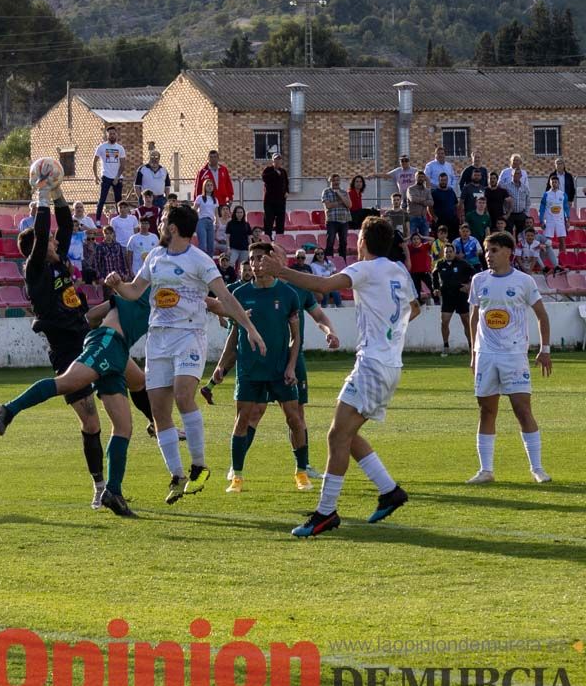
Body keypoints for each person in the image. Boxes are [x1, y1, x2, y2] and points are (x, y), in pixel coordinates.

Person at [0, 171, 156, 510]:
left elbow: (64, 227)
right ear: (36, 250)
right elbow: (41, 234)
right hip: (66, 347)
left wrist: (58, 192)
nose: (55, 243)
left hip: (88, 338)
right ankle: (100, 487)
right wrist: (40, 195)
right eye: (49, 243)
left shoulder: (58, 264)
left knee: (135, 380)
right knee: (91, 420)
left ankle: (157, 427)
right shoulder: (35, 269)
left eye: (53, 243)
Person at [262, 216, 419, 537]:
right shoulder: (398, 270)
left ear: (363, 240)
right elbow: (414, 308)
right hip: (388, 364)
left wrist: (280, 271)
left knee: (337, 436)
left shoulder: (366, 269)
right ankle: (389, 491)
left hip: (373, 364)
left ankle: (325, 512)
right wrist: (392, 331)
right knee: (347, 433)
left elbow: (322, 286)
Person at [106, 205, 265, 504]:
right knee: (159, 411)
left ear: (174, 227)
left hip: (189, 336)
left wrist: (249, 328)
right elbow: (134, 291)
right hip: (158, 339)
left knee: (182, 395)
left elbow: (225, 297)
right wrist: (117, 284)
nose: (160, 224)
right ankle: (178, 475)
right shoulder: (154, 256)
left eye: (164, 220)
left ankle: (199, 464)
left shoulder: (199, 260)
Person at [0, 289, 157, 519]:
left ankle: (113, 492)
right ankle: (8, 409)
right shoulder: (143, 289)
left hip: (117, 350)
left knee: (123, 427)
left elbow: (90, 316)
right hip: (108, 343)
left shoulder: (134, 290)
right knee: (68, 383)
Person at [210, 242, 309, 493]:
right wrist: (222, 366)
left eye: (260, 258)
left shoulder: (288, 295)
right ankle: (237, 477)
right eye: (252, 259)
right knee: (242, 419)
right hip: (249, 369)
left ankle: (301, 472)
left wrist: (290, 367)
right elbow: (234, 335)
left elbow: (296, 337)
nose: (255, 263)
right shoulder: (240, 295)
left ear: (272, 260)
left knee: (294, 419)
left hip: (279, 369)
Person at [466, 232, 553, 485]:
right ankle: (486, 470)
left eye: (493, 250)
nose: (488, 255)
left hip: (514, 356)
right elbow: (474, 317)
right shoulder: (478, 280)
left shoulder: (524, 281)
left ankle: (537, 468)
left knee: (522, 410)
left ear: (507, 252)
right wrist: (473, 353)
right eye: (486, 250)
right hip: (485, 355)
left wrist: (544, 349)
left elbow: (542, 316)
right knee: (486, 410)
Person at [433, 244, 474, 356]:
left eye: (451, 251)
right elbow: (434, 275)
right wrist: (436, 288)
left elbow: (475, 273)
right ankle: (446, 346)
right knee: (444, 322)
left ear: (454, 252)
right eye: (446, 252)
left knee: (466, 321)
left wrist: (469, 285)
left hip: (461, 295)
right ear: (444, 253)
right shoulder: (440, 264)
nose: (449, 253)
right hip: (447, 296)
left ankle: (471, 346)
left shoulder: (463, 263)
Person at [93, 126, 126, 221]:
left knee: (118, 200)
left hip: (117, 178)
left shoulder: (120, 148)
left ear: (116, 135)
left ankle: (121, 219)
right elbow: (94, 162)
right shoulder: (101, 147)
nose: (112, 135)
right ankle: (98, 220)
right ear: (107, 135)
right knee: (102, 199)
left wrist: (117, 177)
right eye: (110, 134)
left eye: (114, 134)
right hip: (106, 176)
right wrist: (95, 176)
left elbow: (123, 165)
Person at [538, 173, 570, 259]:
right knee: (547, 242)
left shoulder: (563, 194)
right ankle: (545, 261)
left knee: (562, 241)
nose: (554, 183)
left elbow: (566, 208)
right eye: (552, 182)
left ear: (558, 183)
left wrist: (568, 220)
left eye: (556, 182)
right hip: (549, 221)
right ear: (550, 183)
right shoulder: (546, 194)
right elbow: (541, 208)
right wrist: (541, 221)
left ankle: (563, 259)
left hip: (560, 221)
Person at [499, 154, 531, 238]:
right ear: (512, 175)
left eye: (518, 174)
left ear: (521, 176)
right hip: (509, 214)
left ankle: (519, 251)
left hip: (521, 214)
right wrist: (504, 212)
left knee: (520, 236)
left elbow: (528, 200)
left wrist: (526, 213)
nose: (517, 175)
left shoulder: (524, 186)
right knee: (508, 234)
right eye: (514, 174)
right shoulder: (506, 185)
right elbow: (502, 196)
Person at [322, 173, 352, 259]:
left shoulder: (344, 192)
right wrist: (340, 202)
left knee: (344, 242)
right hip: (332, 220)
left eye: (337, 180)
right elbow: (328, 206)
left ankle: (342, 259)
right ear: (330, 181)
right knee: (330, 240)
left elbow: (349, 205)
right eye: (334, 180)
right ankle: (328, 259)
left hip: (344, 220)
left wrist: (339, 195)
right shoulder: (326, 191)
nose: (336, 182)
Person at [261, 152, 288, 237]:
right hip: (269, 201)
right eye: (276, 159)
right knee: (269, 221)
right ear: (273, 160)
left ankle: (280, 238)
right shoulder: (268, 170)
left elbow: (286, 183)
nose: (277, 161)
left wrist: (287, 191)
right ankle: (268, 238)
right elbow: (264, 178)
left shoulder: (283, 171)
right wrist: (275, 173)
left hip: (280, 201)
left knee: (280, 221)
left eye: (279, 159)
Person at [193, 178, 220, 255]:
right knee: (203, 245)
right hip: (201, 222)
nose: (210, 187)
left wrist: (217, 222)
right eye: (207, 185)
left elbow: (216, 213)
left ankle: (209, 263)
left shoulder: (215, 199)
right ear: (204, 187)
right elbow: (194, 210)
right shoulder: (200, 198)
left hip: (210, 222)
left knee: (211, 245)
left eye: (211, 185)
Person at [459, 153, 488, 220]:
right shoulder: (467, 170)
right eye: (475, 157)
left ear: (481, 158)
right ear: (472, 158)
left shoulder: (484, 170)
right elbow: (461, 183)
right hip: (470, 201)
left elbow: (486, 184)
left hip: (481, 196)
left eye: (478, 157)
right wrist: (465, 193)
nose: (477, 159)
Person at [405, 171, 433, 237]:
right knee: (411, 238)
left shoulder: (427, 190)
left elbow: (431, 202)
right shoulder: (410, 189)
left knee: (426, 239)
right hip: (412, 217)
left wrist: (419, 200)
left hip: (424, 218)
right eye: (419, 177)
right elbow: (413, 199)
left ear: (424, 178)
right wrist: (425, 200)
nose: (421, 178)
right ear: (415, 178)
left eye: (422, 177)